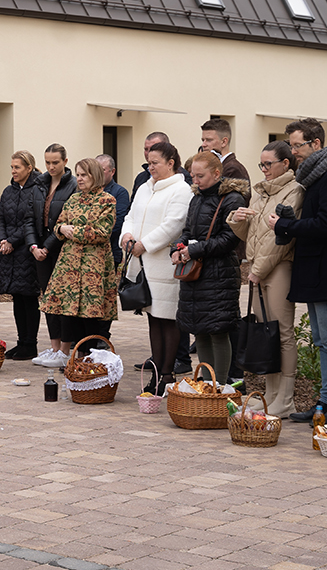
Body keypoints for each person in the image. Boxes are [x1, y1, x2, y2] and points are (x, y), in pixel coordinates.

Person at [271, 118, 327, 424]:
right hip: (314, 267)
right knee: (322, 339)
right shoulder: (314, 176)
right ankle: (325, 401)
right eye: (292, 145)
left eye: (298, 145)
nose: (294, 151)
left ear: (316, 144)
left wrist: (284, 225)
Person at [227, 141, 304, 417]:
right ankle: (271, 396)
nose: (264, 169)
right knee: (265, 331)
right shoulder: (259, 193)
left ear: (285, 164)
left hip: (279, 267)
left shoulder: (294, 191)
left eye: (268, 164)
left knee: (282, 332)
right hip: (258, 269)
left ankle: (286, 398)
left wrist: (256, 269)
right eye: (261, 164)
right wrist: (236, 219)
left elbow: (280, 240)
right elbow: (251, 234)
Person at [120, 142, 192, 394]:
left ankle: (167, 374)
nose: (150, 167)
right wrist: (127, 236)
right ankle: (156, 370)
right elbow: (130, 215)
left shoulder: (181, 190)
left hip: (163, 265)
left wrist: (145, 244)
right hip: (141, 265)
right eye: (148, 163)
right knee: (153, 318)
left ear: (171, 163)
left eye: (155, 163)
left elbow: (174, 225)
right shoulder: (144, 187)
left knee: (168, 318)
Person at [172, 152, 248, 385]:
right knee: (200, 329)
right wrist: (178, 248)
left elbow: (229, 239)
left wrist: (194, 251)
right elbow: (187, 231)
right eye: (193, 175)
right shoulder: (197, 198)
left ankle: (221, 385)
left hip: (219, 274)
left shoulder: (232, 199)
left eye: (200, 175)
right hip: (196, 273)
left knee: (218, 329)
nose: (195, 180)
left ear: (217, 173)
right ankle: (206, 383)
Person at [39, 158, 118, 358]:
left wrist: (73, 231)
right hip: (70, 263)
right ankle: (71, 355)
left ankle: (89, 357)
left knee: (89, 312)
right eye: (78, 174)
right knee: (68, 309)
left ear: (95, 176)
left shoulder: (107, 200)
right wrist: (61, 229)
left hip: (94, 265)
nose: (79, 179)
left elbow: (103, 232)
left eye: (84, 175)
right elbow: (58, 226)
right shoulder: (73, 199)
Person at [30, 144, 77, 368]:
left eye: (55, 162)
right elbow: (29, 218)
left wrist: (47, 247)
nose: (50, 166)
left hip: (61, 250)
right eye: (47, 162)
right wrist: (33, 246)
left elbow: (65, 221)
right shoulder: (39, 184)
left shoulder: (74, 186)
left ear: (65, 162)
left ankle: (66, 351)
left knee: (63, 301)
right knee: (48, 299)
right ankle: (54, 346)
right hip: (40, 250)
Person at [0, 151, 42, 360]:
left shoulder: (37, 190)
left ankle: (30, 344)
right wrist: (2, 240)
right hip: (9, 252)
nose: (13, 171)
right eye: (12, 167)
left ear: (29, 168)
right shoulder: (8, 191)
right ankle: (21, 342)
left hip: (27, 250)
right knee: (17, 298)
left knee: (29, 298)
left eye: (17, 167)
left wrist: (12, 241)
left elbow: (31, 221)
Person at [96, 154, 131, 267]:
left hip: (110, 251)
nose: (98, 174)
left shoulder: (120, 192)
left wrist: (93, 236)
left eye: (102, 170)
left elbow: (117, 222)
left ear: (112, 171)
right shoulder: (86, 192)